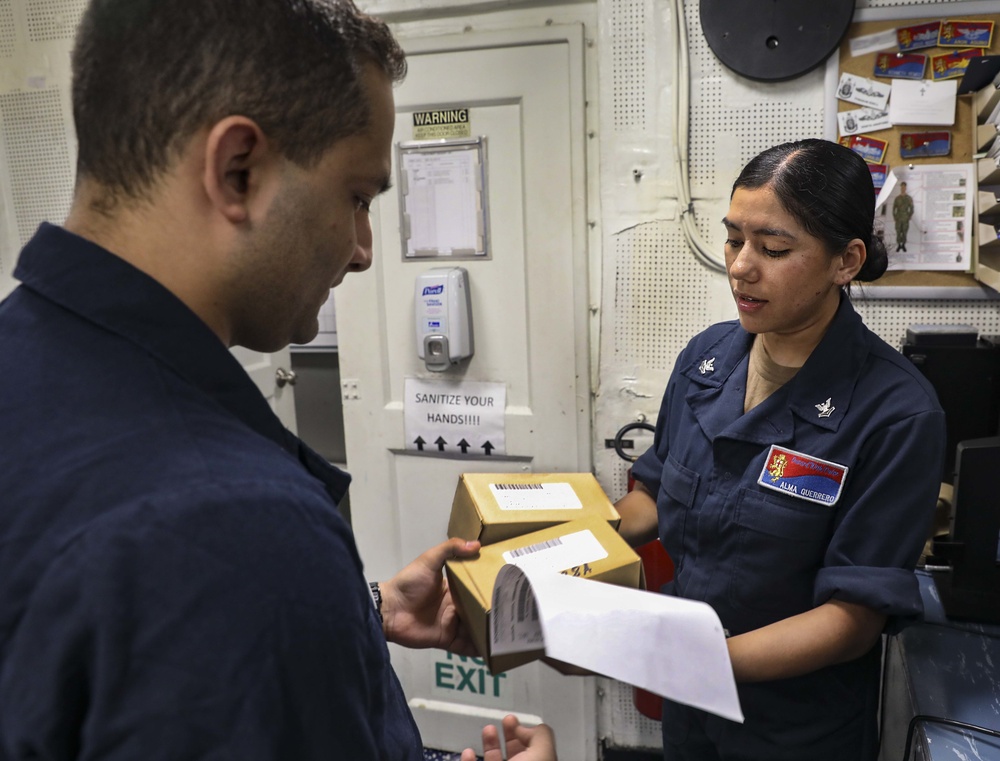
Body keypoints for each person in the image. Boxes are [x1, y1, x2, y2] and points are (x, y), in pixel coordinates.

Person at [0, 1, 555, 759]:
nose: (363, 249)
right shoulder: (231, 524)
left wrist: (354, 612)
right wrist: (283, 587)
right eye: (357, 196)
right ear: (239, 169)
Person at [615, 139, 945, 761]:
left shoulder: (897, 412)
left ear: (844, 261)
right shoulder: (704, 360)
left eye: (772, 249)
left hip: (794, 729)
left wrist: (690, 658)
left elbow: (852, 618)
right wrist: (557, 538)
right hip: (694, 705)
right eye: (734, 239)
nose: (740, 266)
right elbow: (654, 496)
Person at [893, 180, 915, 252]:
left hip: (905, 218)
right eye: (902, 187)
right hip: (898, 218)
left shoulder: (909, 198)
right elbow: (894, 208)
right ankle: (899, 245)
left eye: (904, 187)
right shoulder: (897, 198)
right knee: (898, 232)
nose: (903, 188)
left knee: (905, 232)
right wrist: (895, 216)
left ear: (905, 188)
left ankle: (903, 245)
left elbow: (911, 208)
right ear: (900, 188)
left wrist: (909, 215)